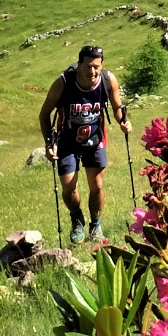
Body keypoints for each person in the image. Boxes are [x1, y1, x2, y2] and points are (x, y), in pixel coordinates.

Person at [37, 44, 130, 243]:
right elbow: (44, 114)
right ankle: (76, 217)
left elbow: (117, 107)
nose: (92, 71)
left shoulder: (108, 80)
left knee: (96, 185)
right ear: (79, 65)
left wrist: (123, 122)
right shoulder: (63, 83)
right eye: (88, 66)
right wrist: (48, 143)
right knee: (68, 187)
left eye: (97, 66)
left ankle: (95, 224)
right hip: (67, 141)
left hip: (95, 139)